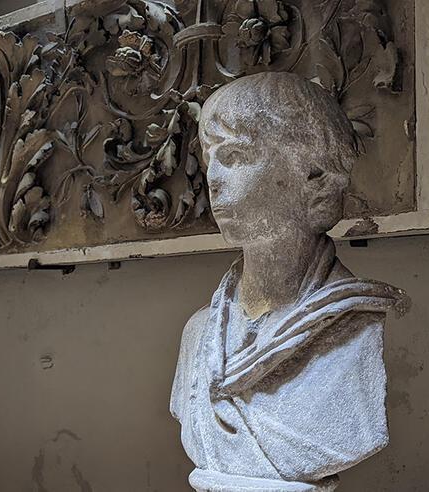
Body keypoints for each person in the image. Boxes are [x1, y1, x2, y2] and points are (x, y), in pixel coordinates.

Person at [170, 72, 409, 491]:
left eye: (237, 157)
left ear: (315, 176)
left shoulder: (352, 328)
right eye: (212, 158)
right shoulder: (198, 334)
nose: (214, 179)